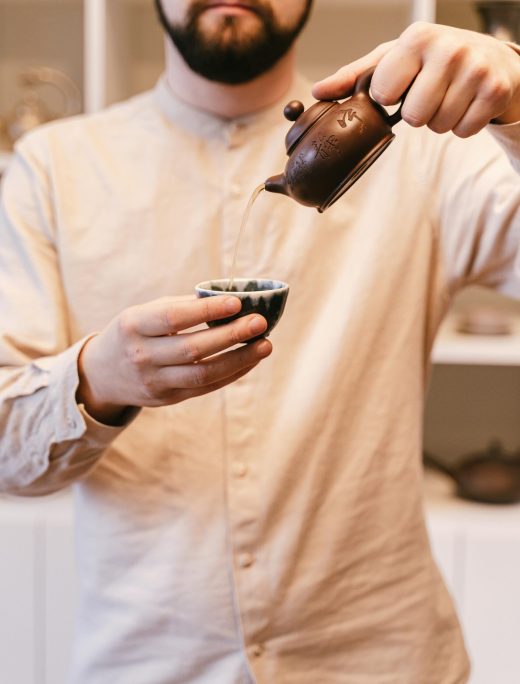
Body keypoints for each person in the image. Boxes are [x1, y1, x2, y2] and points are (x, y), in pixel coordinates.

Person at [0, 0, 519, 681]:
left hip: (383, 660)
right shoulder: (53, 167)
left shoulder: (434, 160)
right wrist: (99, 378)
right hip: (146, 663)